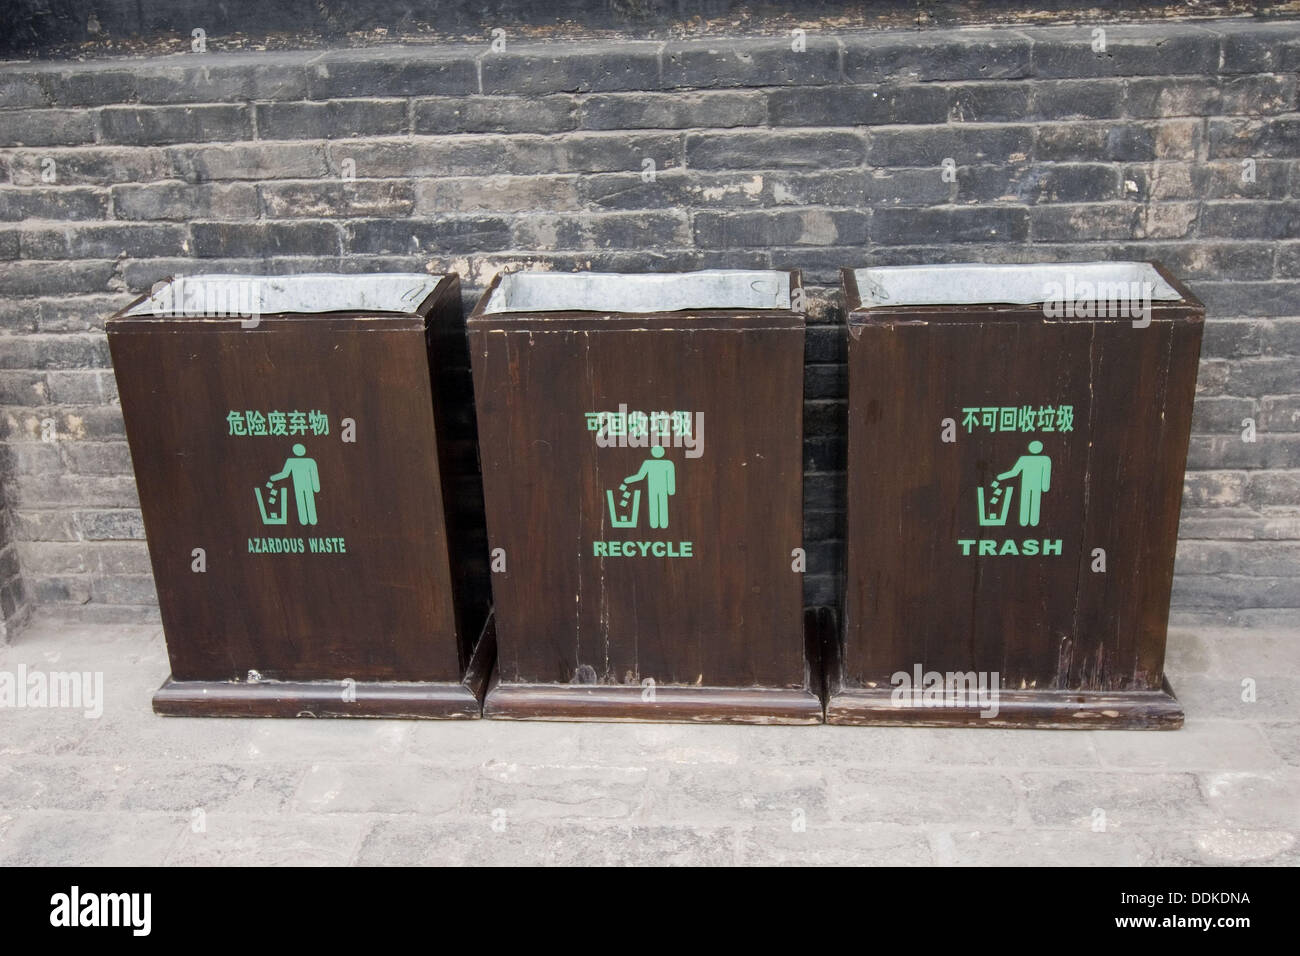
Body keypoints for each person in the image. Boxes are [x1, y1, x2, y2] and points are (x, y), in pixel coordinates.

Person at [996, 440, 1051, 527]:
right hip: (1028, 485)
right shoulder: (1029, 459)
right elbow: (1015, 472)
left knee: (1032, 501)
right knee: (1029, 501)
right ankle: (1028, 522)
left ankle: (1029, 522)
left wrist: (1045, 486)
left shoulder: (1044, 459)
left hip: (1031, 485)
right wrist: (1001, 476)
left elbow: (1046, 473)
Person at [624, 445, 676, 530]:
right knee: (661, 504)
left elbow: (640, 476)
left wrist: (628, 480)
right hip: (659, 488)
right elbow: (670, 478)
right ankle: (662, 524)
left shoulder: (650, 463)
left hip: (654, 488)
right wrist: (671, 490)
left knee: (654, 504)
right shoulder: (668, 463)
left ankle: (655, 524)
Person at [268, 443, 320, 526]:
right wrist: (316, 487)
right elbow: (285, 474)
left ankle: (308, 520)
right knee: (304, 501)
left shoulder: (308, 461)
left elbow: (314, 474)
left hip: (303, 485)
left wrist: (273, 478)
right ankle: (308, 520)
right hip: (300, 485)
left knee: (305, 501)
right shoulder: (303, 461)